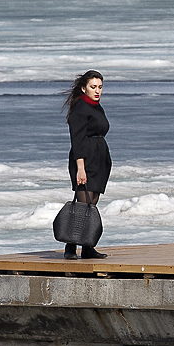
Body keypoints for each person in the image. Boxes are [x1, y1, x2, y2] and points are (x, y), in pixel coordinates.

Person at [63, 70, 111, 259]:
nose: (97, 91)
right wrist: (80, 168)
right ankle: (70, 246)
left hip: (99, 157)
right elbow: (77, 140)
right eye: (93, 87)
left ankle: (87, 246)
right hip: (84, 158)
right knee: (83, 203)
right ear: (84, 88)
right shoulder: (80, 108)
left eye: (100, 87)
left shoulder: (96, 107)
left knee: (93, 202)